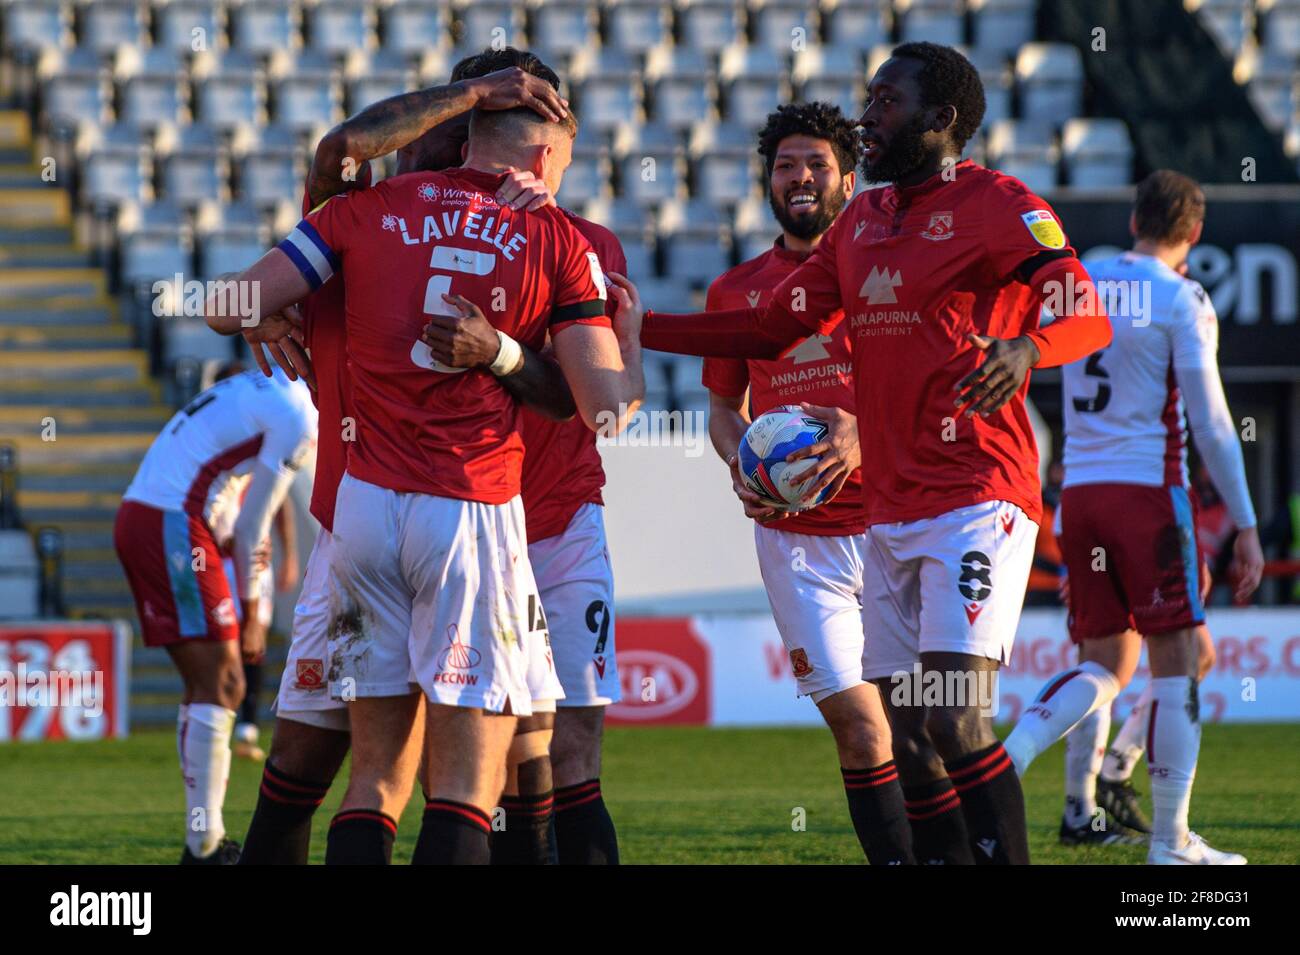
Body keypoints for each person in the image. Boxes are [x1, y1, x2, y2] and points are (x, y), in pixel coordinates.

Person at [624, 41, 1112, 864]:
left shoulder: (998, 203)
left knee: (954, 713)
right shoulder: (860, 223)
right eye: (868, 98)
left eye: (885, 102)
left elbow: (1087, 309)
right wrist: (637, 327)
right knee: (907, 729)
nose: (867, 116)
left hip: (977, 493)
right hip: (891, 508)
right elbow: (768, 328)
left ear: (940, 119)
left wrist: (1031, 348)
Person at [207, 63, 643, 865]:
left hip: (367, 510)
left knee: (379, 774)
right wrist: (609, 343)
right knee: (467, 782)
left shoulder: (358, 212)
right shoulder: (558, 240)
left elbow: (222, 302)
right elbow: (602, 406)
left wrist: (257, 309)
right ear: (542, 154)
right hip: (470, 512)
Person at [1002, 169, 1263, 864]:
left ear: (1133, 220)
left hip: (1080, 497)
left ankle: (1013, 759)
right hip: (1147, 490)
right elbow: (1209, 420)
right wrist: (1245, 522)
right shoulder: (1183, 296)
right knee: (1179, 658)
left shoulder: (1081, 276)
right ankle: (1169, 843)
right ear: (1194, 234)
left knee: (1106, 664)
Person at [425, 45, 639, 866]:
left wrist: (635, 343)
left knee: (570, 749)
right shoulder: (424, 221)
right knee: (506, 757)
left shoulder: (586, 242)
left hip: (561, 520)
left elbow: (610, 407)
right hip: (471, 520)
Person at [702, 101, 910, 864]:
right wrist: (738, 463)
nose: (799, 177)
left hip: (898, 526)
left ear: (848, 179)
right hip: (799, 543)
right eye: (785, 164)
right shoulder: (736, 290)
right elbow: (723, 408)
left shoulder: (889, 274)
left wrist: (863, 430)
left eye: (816, 165)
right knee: (861, 728)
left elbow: (935, 389)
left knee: (918, 723)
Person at [113, 366, 317, 864]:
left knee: (212, 685)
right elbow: (253, 524)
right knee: (225, 681)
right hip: (171, 522)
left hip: (160, 516)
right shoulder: (299, 415)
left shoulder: (274, 391)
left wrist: (223, 533)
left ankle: (202, 842)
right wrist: (252, 612)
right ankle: (202, 847)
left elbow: (218, 479)